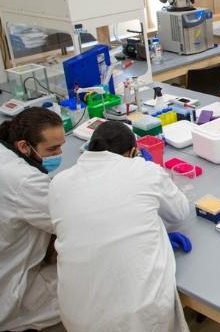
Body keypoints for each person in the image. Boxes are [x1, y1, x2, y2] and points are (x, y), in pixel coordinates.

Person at [49, 121, 191, 331]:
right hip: (136, 317)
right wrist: (154, 170)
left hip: (76, 315)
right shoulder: (145, 170)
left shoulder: (58, 182)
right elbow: (179, 212)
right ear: (133, 151)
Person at [0, 108, 65, 331]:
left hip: (1, 258)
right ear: (23, 146)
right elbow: (71, 222)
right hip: (12, 288)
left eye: (61, 145)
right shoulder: (25, 182)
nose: (59, 153)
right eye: (52, 148)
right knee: (94, 281)